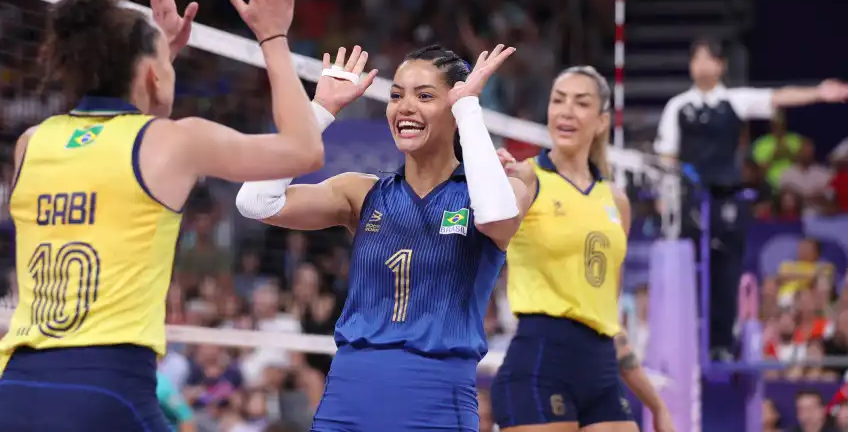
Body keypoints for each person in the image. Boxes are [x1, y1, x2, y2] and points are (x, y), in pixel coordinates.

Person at [0, 0, 323, 432]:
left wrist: (154, 63)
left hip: (14, 394)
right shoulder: (174, 142)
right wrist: (273, 36)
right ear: (149, 75)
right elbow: (303, 148)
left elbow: (121, 153)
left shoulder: (31, 143)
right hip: (106, 394)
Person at [236, 44, 533, 431]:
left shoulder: (501, 190)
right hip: (346, 400)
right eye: (397, 96)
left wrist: (469, 108)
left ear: (457, 108)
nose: (405, 106)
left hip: (436, 406)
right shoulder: (361, 194)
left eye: (425, 96)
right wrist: (320, 110)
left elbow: (496, 216)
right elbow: (254, 201)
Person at [491, 65, 674, 432]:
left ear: (602, 120)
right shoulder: (527, 176)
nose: (566, 111)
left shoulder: (616, 201)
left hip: (602, 368)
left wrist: (657, 405)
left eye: (581, 102)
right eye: (558, 101)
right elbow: (489, 228)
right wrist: (489, 179)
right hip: (541, 363)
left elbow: (610, 319)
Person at [654, 37, 848, 360]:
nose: (701, 65)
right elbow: (666, 157)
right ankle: (681, 342)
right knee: (684, 268)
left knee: (725, 270)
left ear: (720, 65)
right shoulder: (677, 107)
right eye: (696, 59)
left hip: (726, 197)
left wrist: (818, 92)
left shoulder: (735, 100)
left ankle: (719, 345)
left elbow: (778, 96)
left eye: (708, 59)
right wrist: (666, 198)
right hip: (688, 199)